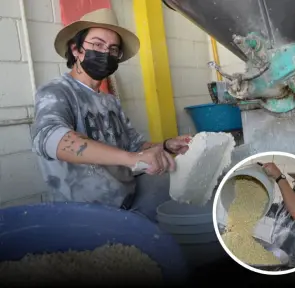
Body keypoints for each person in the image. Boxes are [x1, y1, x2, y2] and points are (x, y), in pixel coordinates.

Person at [31, 8, 191, 222]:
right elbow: (49, 137)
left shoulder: (110, 101)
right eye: (97, 45)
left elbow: (133, 145)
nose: (105, 53)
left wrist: (165, 145)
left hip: (127, 204)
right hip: (84, 216)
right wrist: (131, 159)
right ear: (76, 49)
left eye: (113, 49)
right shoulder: (57, 92)